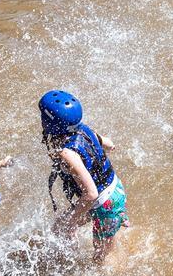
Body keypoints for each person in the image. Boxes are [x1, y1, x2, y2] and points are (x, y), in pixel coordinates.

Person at [40, 90, 128, 265]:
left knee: (101, 258)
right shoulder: (84, 129)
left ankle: (116, 274)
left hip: (104, 202)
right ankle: (70, 260)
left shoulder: (68, 153)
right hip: (114, 188)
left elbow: (91, 193)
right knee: (59, 227)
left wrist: (72, 219)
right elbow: (110, 145)